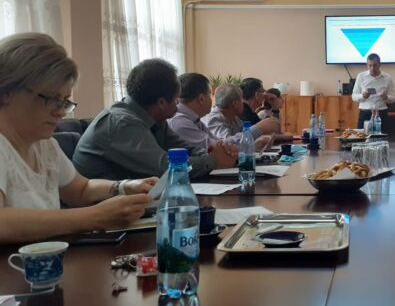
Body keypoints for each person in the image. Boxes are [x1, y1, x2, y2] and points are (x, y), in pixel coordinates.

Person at [0, 33, 154, 244]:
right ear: (6, 91)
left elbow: (81, 189)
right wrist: (94, 217)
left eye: (64, 101)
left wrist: (124, 186)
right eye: (51, 98)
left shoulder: (45, 145)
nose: (60, 112)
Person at [73, 59, 238, 180]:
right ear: (161, 103)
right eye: (176, 100)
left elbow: (185, 149)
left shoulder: (156, 119)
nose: (178, 106)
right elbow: (165, 168)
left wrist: (213, 152)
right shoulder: (122, 123)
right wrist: (213, 160)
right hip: (99, 209)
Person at [201, 83, 276, 148]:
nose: (243, 103)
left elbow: (241, 141)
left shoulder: (235, 118)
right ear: (235, 104)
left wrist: (259, 141)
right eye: (241, 99)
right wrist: (259, 128)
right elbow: (226, 145)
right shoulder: (214, 119)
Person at [351, 53, 395, 130]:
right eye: (370, 65)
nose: (372, 68)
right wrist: (362, 96)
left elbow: (393, 99)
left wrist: (386, 97)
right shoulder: (361, 76)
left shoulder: (387, 78)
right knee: (362, 137)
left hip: (381, 114)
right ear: (367, 65)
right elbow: (353, 96)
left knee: (383, 137)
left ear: (380, 65)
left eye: (375, 65)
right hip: (365, 113)